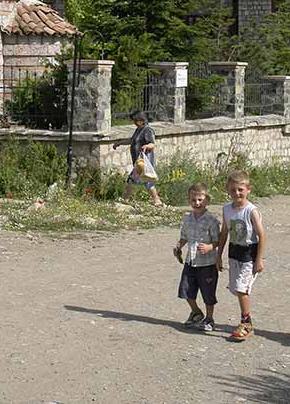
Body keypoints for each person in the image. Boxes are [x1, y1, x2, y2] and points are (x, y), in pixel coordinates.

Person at [216, 170, 265, 341]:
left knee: (241, 288)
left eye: (240, 190)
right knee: (236, 288)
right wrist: (218, 255)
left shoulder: (251, 211)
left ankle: (246, 322)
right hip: (234, 252)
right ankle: (246, 319)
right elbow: (224, 233)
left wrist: (259, 259)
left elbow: (262, 235)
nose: (236, 193)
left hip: (249, 254)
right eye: (233, 190)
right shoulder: (227, 209)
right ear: (228, 190)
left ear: (248, 189)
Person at [173, 182, 220, 332]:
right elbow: (184, 236)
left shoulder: (212, 221)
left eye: (200, 199)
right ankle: (196, 312)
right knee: (185, 289)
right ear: (189, 201)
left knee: (208, 293)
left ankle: (209, 318)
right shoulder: (187, 219)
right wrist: (179, 246)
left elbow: (217, 240)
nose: (197, 203)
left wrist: (210, 247)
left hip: (207, 264)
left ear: (207, 200)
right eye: (193, 200)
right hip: (190, 261)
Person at [112, 110, 162, 207]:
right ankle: (156, 200)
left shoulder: (148, 130)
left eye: (136, 120)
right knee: (145, 180)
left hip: (144, 161)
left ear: (142, 120)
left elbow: (152, 144)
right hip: (138, 161)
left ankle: (126, 199)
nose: (134, 122)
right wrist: (119, 143)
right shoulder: (139, 129)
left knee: (134, 179)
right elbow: (132, 141)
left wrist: (146, 146)